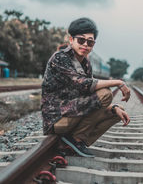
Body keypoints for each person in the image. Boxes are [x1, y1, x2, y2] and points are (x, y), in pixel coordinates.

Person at [41, 17, 131, 157]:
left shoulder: (86, 63)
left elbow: (87, 99)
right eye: (81, 40)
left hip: (73, 113)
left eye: (90, 42)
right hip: (57, 120)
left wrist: (113, 108)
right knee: (105, 94)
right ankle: (75, 140)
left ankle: (77, 141)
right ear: (71, 40)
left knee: (117, 111)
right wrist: (118, 82)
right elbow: (83, 84)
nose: (85, 45)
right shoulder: (60, 58)